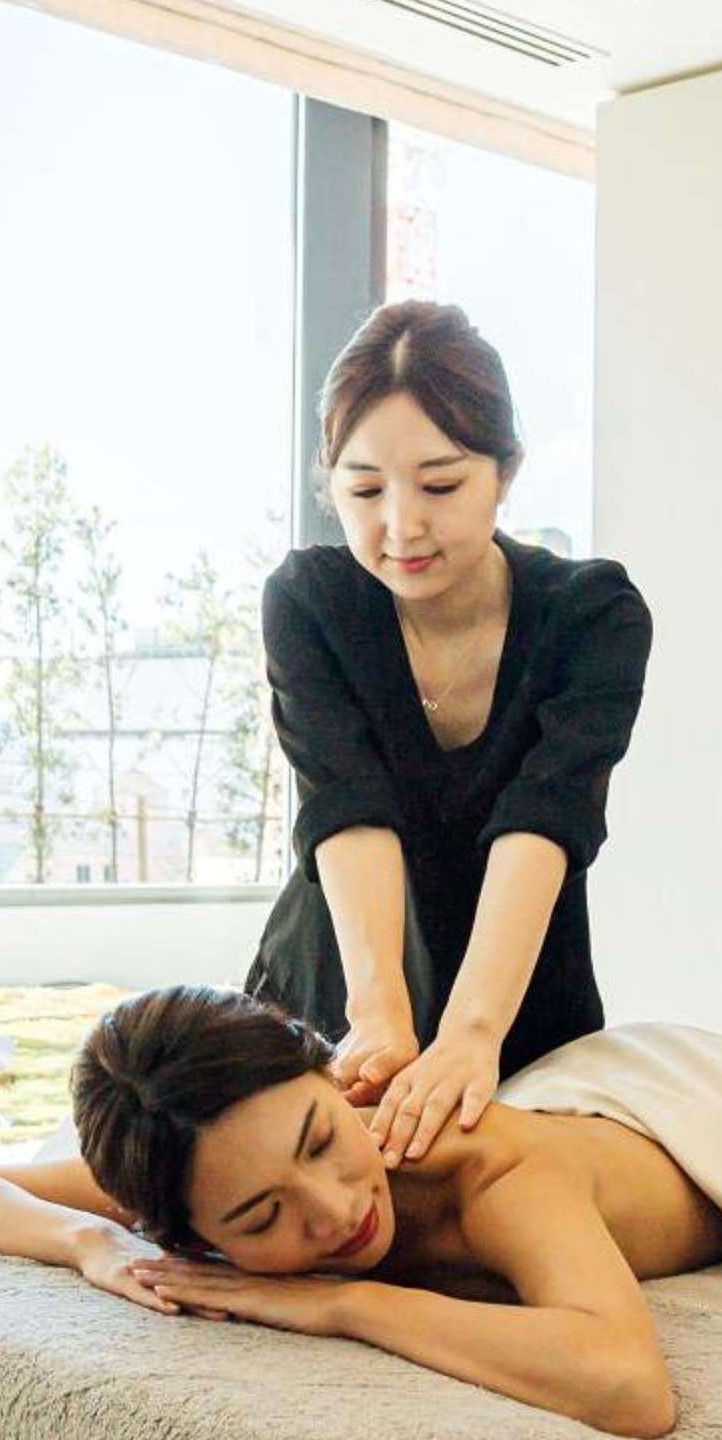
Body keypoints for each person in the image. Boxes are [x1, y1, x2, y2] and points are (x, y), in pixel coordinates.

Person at [0, 984, 722, 1438]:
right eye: (262, 1219)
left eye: (323, 1138)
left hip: (701, 1109)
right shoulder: (207, 1160)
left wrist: (344, 1304)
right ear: (188, 1235)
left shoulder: (490, 1169)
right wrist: (92, 1243)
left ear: (332, 1077)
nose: (335, 1212)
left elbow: (630, 1386)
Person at [246, 301, 651, 1174]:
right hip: (336, 988)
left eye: (439, 485)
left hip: (517, 1007)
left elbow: (545, 821)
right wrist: (377, 1016)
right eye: (365, 490)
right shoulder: (311, 604)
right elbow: (348, 810)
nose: (401, 526)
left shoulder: (592, 615)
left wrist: (472, 1032)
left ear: (506, 472)